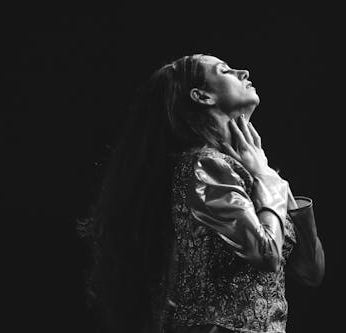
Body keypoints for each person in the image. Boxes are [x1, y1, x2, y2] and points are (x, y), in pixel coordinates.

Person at [78, 54, 325, 333]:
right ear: (202, 96)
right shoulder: (204, 165)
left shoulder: (249, 170)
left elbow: (310, 271)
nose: (243, 71)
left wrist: (266, 172)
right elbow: (265, 253)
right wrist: (268, 179)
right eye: (226, 70)